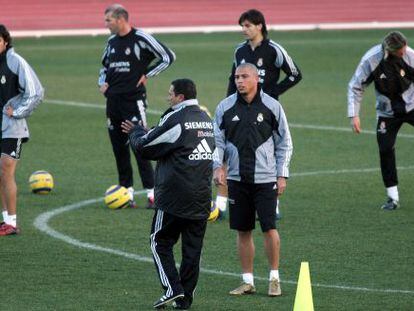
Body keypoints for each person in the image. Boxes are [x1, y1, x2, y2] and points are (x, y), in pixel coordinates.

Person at [121, 79, 215, 309]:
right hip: (202, 196)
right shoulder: (205, 119)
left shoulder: (177, 119)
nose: (168, 97)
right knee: (192, 251)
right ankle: (184, 300)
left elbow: (146, 147)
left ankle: (172, 288)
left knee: (159, 241)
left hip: (175, 197)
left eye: (170, 93)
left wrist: (136, 132)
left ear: (181, 97)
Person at [213, 63, 293, 297]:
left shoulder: (272, 106)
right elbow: (216, 141)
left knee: (269, 228)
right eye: (236, 77)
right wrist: (218, 166)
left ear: (256, 79)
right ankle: (247, 281)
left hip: (266, 179)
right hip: (237, 179)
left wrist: (282, 174)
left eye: (244, 76)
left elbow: (284, 142)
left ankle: (274, 278)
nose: (239, 81)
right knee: (243, 230)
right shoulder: (224, 107)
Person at [214, 8, 301, 219]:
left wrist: (274, 93)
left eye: (247, 26)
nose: (244, 30)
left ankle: (274, 205)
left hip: (266, 112)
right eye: (242, 26)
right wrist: (229, 102)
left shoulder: (274, 50)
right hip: (239, 109)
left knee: (268, 154)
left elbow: (295, 74)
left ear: (259, 26)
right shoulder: (239, 51)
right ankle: (221, 204)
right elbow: (232, 78)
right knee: (227, 149)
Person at [98, 4, 176, 209]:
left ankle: (152, 194)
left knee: (140, 145)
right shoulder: (111, 42)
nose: (106, 24)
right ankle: (126, 193)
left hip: (133, 101)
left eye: (108, 20)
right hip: (113, 101)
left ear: (121, 19)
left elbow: (168, 57)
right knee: (119, 148)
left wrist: (147, 74)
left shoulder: (142, 38)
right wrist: (102, 83)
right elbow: (104, 66)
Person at [348, 31, 414, 210]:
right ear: (390, 50)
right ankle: (393, 197)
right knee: (385, 149)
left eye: (405, 49)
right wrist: (354, 114)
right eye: (400, 51)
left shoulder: (410, 56)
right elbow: (356, 86)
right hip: (387, 113)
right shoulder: (371, 60)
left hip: (412, 105)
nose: (404, 53)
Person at [0, 24, 44, 236]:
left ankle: (12, 222)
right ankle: (5, 220)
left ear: (5, 41)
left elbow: (36, 92)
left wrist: (17, 112)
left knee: (5, 168)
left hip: (12, 127)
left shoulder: (15, 61)